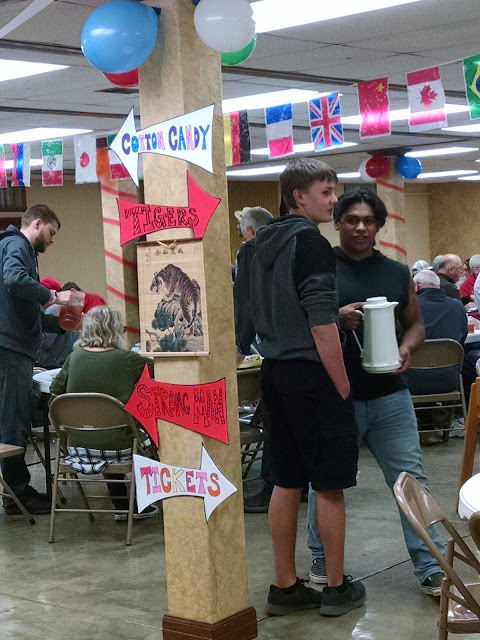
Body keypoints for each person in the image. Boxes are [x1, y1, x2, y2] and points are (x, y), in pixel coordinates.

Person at [306, 189, 445, 598]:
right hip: (336, 394)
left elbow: (415, 323)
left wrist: (407, 348)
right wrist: (336, 318)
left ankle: (431, 565)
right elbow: (301, 322)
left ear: (380, 226)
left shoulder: (397, 272)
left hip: (390, 395)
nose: (360, 227)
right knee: (326, 482)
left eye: (369, 221)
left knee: (410, 479)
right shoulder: (322, 269)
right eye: (351, 220)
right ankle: (321, 558)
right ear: (337, 223)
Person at [250, 158, 365, 617]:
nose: (334, 201)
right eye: (326, 192)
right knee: (330, 483)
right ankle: (335, 588)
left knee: (286, 480)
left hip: (275, 372)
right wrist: (342, 385)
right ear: (299, 196)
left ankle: (285, 587)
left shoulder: (257, 246)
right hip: (313, 374)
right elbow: (319, 323)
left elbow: (260, 314)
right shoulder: (312, 243)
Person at [50, 305, 158, 520]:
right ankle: (144, 501)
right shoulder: (128, 359)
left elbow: (55, 392)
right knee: (140, 432)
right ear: (115, 330)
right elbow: (161, 369)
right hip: (119, 447)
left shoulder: (74, 358)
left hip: (77, 447)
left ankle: (121, 504)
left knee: (102, 426)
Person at [0, 204, 73, 515]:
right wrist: (54, 297)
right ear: (37, 224)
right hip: (12, 349)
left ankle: (16, 491)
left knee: (11, 419)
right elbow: (14, 279)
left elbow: (28, 313)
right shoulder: (17, 245)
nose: (52, 239)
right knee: (13, 421)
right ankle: (17, 494)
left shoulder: (17, 249)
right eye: (51, 232)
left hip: (12, 344)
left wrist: (63, 324)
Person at [234, 206, 273, 361]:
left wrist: (241, 345)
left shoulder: (249, 250)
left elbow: (246, 298)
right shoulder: (285, 246)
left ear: (250, 230)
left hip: (262, 336)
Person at [413, 269, 467, 345]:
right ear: (438, 285)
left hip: (421, 352)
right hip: (453, 351)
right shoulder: (457, 306)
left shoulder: (412, 307)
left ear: (416, 286)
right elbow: (464, 334)